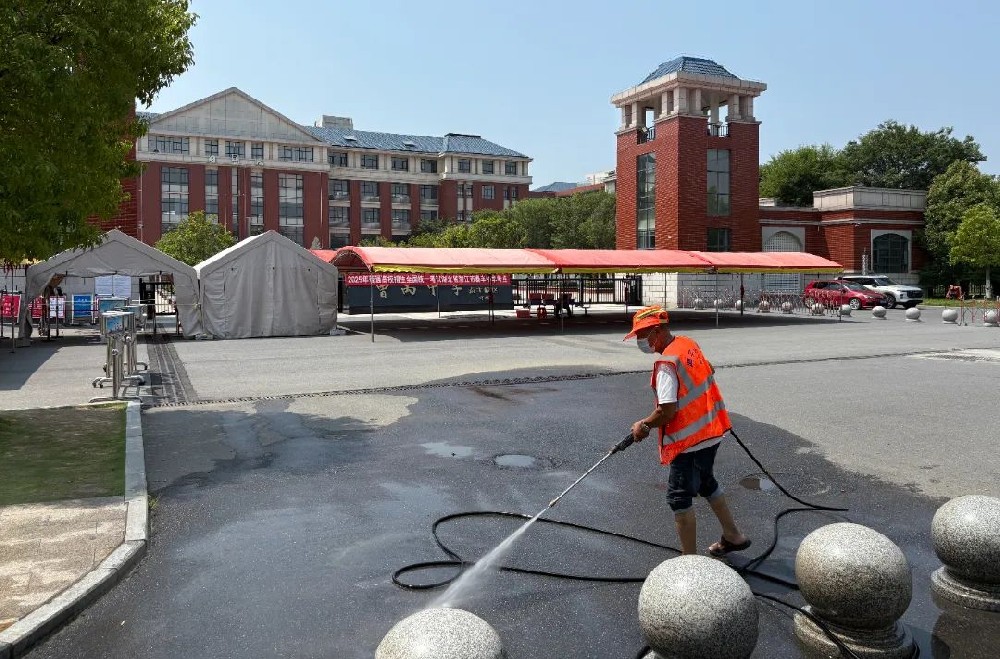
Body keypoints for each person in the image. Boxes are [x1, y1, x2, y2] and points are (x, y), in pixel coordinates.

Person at [623, 305, 751, 557]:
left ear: (657, 331)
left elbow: (666, 412)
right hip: (710, 432)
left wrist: (644, 425)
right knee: (706, 482)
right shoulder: (687, 344)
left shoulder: (666, 364)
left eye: (642, 335)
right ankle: (733, 536)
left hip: (689, 442)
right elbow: (708, 369)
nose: (640, 341)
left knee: (679, 498)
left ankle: (689, 564)